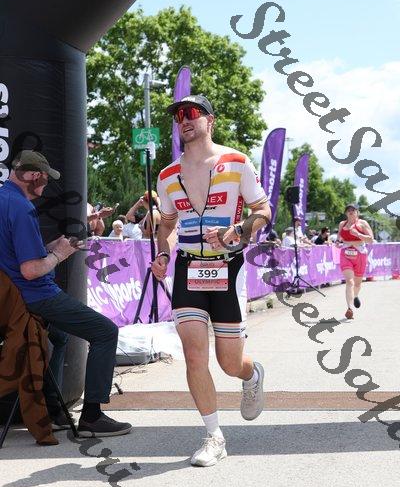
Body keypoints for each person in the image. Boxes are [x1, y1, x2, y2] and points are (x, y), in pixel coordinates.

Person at [151, 95, 271, 467]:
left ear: (210, 121)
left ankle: (251, 374)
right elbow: (167, 226)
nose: (184, 120)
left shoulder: (237, 162)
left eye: (192, 113)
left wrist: (240, 230)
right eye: (179, 116)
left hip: (228, 268)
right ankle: (213, 436)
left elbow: (263, 210)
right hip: (188, 269)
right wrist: (164, 254)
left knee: (229, 363)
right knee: (193, 354)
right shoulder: (167, 176)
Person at [0, 150, 131, 437]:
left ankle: (53, 411)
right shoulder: (21, 208)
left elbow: (12, 256)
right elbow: (31, 270)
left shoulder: (4, 199)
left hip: (10, 299)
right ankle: (92, 417)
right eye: (45, 179)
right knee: (105, 331)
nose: (46, 184)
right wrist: (60, 254)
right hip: (33, 295)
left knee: (58, 336)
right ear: (33, 176)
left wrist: (50, 248)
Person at [337, 203, 374, 319]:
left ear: (357, 212)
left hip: (360, 254)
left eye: (353, 210)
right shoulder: (342, 224)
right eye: (348, 210)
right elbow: (339, 238)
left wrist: (357, 234)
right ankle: (350, 308)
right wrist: (337, 242)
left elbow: (371, 240)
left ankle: (355, 296)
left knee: (357, 284)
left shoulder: (363, 223)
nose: (351, 211)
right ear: (346, 213)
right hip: (346, 254)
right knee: (350, 281)